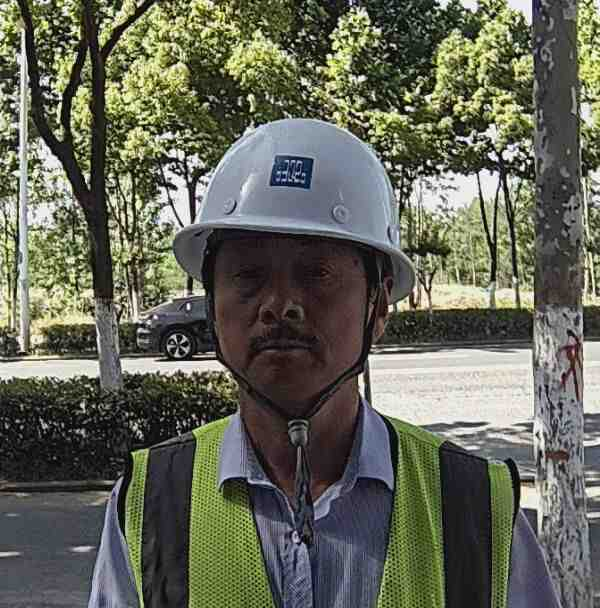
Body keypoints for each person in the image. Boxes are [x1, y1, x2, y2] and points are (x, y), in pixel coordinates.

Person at [88, 119, 561, 608]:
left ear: (378, 305)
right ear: (211, 303)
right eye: (248, 274)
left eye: (316, 273)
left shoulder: (476, 507)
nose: (280, 306)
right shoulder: (150, 502)